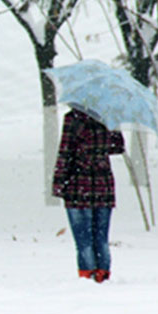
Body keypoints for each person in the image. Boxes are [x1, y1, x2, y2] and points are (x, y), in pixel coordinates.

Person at [51, 107, 125, 283]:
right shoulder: (109, 115)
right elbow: (118, 147)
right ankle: (103, 275)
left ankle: (87, 277)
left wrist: (59, 184)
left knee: (84, 241)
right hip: (104, 186)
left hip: (78, 186)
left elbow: (65, 152)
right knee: (101, 239)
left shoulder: (73, 118)